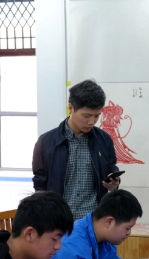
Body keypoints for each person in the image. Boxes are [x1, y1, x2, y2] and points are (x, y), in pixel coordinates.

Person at [32, 79, 121, 220]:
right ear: (71, 108)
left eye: (97, 116)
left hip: (93, 220)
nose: (92, 122)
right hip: (58, 220)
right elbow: (39, 184)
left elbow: (111, 168)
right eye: (86, 116)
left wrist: (114, 184)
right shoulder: (46, 142)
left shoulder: (104, 140)